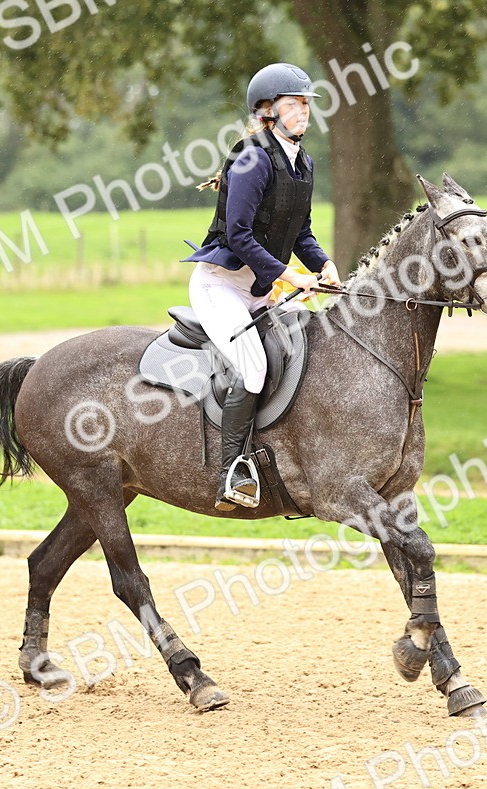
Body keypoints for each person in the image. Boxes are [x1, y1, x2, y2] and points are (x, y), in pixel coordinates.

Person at [184, 62, 341, 512]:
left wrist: (325, 265)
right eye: (295, 104)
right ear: (268, 112)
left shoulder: (303, 162)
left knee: (304, 352)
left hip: (260, 289)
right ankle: (230, 473)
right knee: (253, 368)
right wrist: (289, 274)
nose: (305, 112)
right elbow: (238, 235)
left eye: (307, 104)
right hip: (221, 287)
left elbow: (302, 234)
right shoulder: (251, 158)